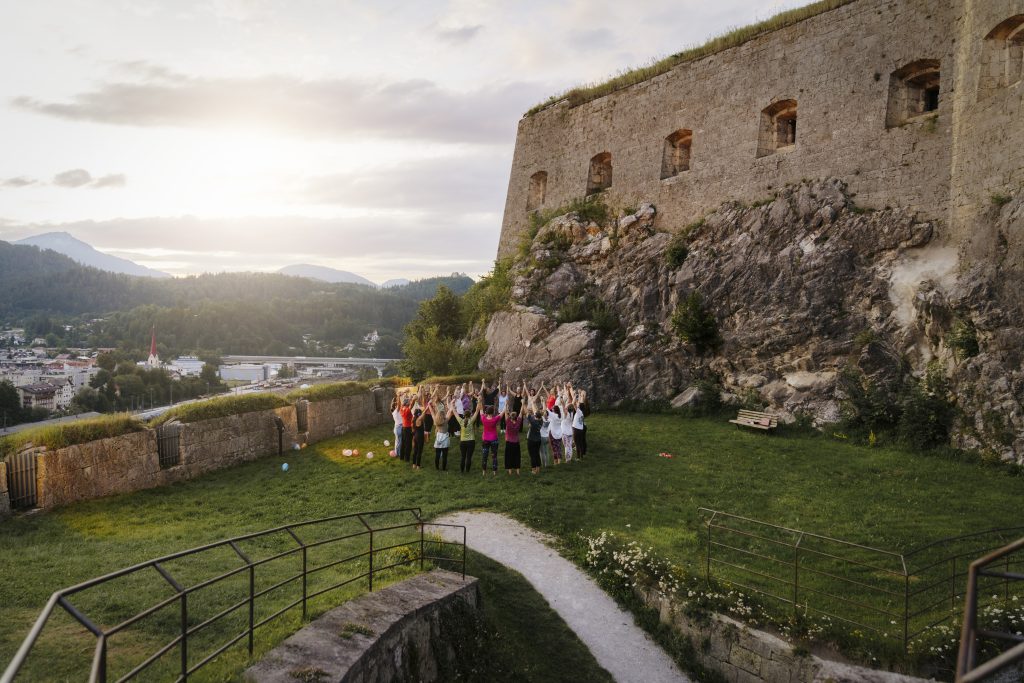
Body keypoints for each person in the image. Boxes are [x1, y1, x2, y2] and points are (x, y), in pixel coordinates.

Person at [457, 396, 481, 473]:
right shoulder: (471, 420)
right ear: (470, 415)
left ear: (464, 415)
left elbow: (454, 412)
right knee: (469, 457)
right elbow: (477, 410)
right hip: (471, 441)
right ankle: (467, 471)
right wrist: (479, 400)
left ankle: (462, 471)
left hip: (463, 442)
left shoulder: (461, 421)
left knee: (463, 457)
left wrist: (451, 405)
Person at [480, 400, 502, 477]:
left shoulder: (483, 419)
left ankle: (484, 472)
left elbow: (480, 411)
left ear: (486, 412)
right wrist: (505, 405)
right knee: (494, 456)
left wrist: (479, 401)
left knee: (484, 456)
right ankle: (494, 472)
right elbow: (502, 413)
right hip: (494, 440)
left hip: (485, 439)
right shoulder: (495, 419)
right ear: (492, 412)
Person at [432, 388, 452, 471]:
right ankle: (444, 468)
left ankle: (437, 468)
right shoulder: (446, 421)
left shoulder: (436, 421)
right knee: (445, 455)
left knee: (437, 453)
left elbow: (433, 413)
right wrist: (452, 405)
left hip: (439, 435)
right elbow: (450, 412)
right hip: (445, 437)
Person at [503, 401, 523, 475]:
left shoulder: (508, 422)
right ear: (516, 417)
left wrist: (506, 404)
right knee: (517, 456)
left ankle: (510, 471)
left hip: (509, 442)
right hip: (516, 442)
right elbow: (521, 412)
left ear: (510, 417)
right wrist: (523, 403)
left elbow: (505, 412)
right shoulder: (518, 422)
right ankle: (517, 471)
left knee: (509, 456)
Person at [526, 403, 544, 475]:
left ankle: (533, 470)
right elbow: (535, 412)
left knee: (532, 455)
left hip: (531, 440)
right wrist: (533, 403)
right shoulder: (541, 420)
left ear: (535, 416)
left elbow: (527, 414)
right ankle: (538, 469)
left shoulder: (533, 422)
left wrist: (523, 403)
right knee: (537, 454)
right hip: (538, 440)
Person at [571, 386, 587, 460]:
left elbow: (573, 403)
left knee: (577, 444)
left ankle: (577, 457)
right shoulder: (583, 412)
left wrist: (574, 395)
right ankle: (581, 456)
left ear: (579, 407)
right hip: (580, 429)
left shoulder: (578, 411)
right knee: (580, 443)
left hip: (576, 430)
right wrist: (581, 395)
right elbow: (580, 403)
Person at [399, 394, 414, 462]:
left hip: (403, 428)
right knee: (408, 444)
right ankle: (407, 458)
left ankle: (401, 457)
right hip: (408, 428)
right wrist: (413, 400)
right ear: (407, 404)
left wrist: (401, 397)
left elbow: (402, 404)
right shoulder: (407, 410)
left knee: (403, 443)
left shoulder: (401, 409)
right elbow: (411, 406)